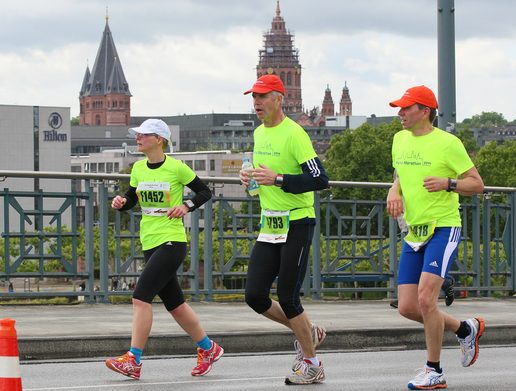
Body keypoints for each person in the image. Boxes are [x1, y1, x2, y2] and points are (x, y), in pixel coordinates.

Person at [105, 118, 223, 380]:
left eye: (143, 135)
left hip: (172, 241)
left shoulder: (176, 168)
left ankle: (133, 359)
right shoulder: (138, 168)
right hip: (149, 241)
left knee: (140, 297)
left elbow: (204, 192)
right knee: (176, 305)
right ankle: (208, 348)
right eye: (137, 135)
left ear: (159, 139)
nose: (138, 138)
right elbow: (131, 199)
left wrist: (187, 206)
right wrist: (120, 202)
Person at [386, 86, 485, 390]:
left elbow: (477, 184)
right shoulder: (399, 139)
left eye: (406, 108)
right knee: (407, 306)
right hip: (414, 231)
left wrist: (448, 183)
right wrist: (394, 191)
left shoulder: (448, 143)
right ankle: (465, 328)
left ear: (424, 111)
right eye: (399, 108)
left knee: (427, 299)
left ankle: (434, 371)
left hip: (443, 226)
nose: (400, 114)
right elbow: (399, 175)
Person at [240, 75, 329, 385]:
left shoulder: (295, 134)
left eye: (262, 97)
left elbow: (320, 180)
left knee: (288, 297)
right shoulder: (259, 133)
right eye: (253, 97)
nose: (256, 103)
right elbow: (261, 178)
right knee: (254, 296)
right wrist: (250, 179)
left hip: (297, 221)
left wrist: (278, 179)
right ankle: (308, 331)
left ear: (279, 98)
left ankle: (312, 363)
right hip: (270, 223)